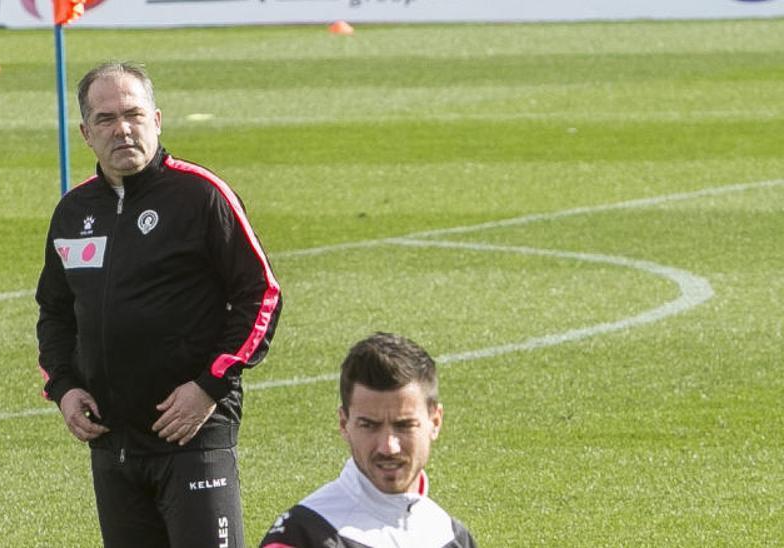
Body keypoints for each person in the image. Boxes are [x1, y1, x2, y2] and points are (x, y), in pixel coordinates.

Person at [35, 61, 283, 548]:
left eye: (133, 114)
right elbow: (54, 312)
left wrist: (210, 385)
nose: (122, 129)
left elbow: (263, 294)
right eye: (105, 119)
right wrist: (63, 387)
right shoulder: (73, 212)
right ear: (86, 133)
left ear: (158, 119)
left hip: (192, 435)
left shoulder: (201, 195)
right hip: (111, 442)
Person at [259, 332, 476, 548]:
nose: (388, 447)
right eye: (369, 425)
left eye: (404, 425)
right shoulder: (302, 536)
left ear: (435, 422)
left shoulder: (452, 537)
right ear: (344, 424)